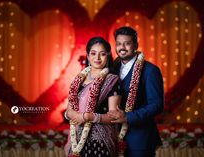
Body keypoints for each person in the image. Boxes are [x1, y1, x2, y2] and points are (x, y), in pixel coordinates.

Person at [107, 26, 164, 157]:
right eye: (119, 44)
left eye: (127, 43)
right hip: (113, 137)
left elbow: (156, 105)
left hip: (140, 139)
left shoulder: (150, 70)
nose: (122, 47)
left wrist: (128, 117)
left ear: (136, 45)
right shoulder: (111, 70)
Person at [64, 37, 122, 157]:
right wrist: (72, 115)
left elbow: (114, 117)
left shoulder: (112, 80)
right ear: (88, 55)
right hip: (77, 141)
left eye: (102, 54)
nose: (97, 58)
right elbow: (69, 110)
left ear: (108, 56)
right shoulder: (78, 80)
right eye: (93, 53)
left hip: (100, 143)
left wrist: (88, 117)